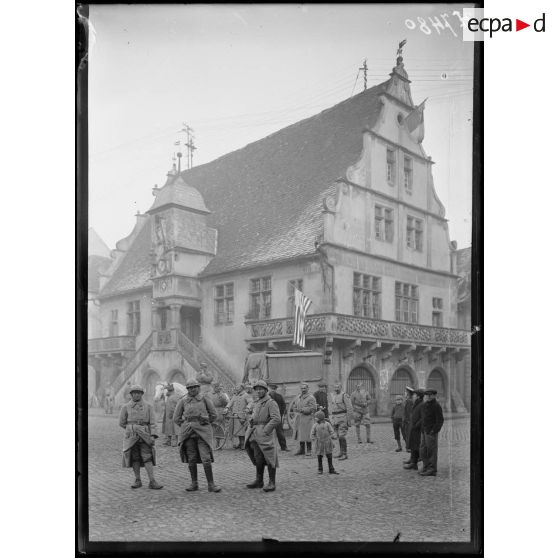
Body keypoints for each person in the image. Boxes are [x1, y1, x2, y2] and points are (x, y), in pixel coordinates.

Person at [173, 379, 221, 493]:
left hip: (203, 433)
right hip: (188, 433)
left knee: (206, 459)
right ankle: (194, 483)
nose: (192, 389)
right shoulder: (183, 401)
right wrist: (185, 425)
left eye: (194, 387)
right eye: (190, 388)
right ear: (187, 389)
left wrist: (205, 421)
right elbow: (176, 418)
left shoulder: (205, 399)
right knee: (192, 458)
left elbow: (214, 414)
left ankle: (211, 484)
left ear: (198, 388)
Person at [118, 385, 163, 490]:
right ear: (131, 394)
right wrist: (132, 428)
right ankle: (137, 480)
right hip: (132, 436)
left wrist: (152, 435)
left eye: (139, 393)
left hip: (145, 435)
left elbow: (153, 423)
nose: (136, 394)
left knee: (147, 457)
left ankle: (152, 481)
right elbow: (122, 423)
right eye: (134, 393)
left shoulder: (148, 406)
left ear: (142, 394)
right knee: (135, 458)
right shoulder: (125, 407)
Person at [245, 380, 281, 492]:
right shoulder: (257, 402)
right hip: (254, 433)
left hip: (265, 435)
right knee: (258, 458)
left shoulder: (271, 402)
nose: (259, 391)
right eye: (257, 389)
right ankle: (259, 481)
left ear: (266, 390)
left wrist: (266, 430)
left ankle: (272, 482)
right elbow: (256, 416)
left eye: (261, 389)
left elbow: (276, 418)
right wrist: (251, 420)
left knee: (270, 457)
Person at [419, 389, 445, 476]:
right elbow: (423, 418)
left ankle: (432, 469)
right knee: (423, 450)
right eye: (427, 395)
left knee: (431, 450)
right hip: (424, 431)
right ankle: (426, 466)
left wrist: (434, 430)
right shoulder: (425, 405)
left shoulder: (436, 406)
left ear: (434, 395)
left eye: (430, 395)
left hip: (431, 432)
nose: (428, 396)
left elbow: (440, 420)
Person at [292, 383, 317, 456]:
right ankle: (301, 449)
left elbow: (313, 408)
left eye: (304, 388)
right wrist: (295, 408)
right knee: (300, 434)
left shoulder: (311, 398)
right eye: (302, 388)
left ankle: (309, 449)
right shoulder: (299, 397)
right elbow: (295, 405)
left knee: (307, 434)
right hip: (300, 418)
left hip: (307, 418)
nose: (303, 390)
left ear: (307, 389)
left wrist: (303, 410)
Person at [310, 411, 339, 475]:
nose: (315, 419)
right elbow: (312, 433)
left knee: (329, 455)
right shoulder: (315, 425)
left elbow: (331, 431)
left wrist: (333, 436)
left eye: (316, 418)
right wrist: (314, 438)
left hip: (328, 442)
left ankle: (331, 469)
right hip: (319, 443)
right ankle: (320, 469)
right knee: (319, 456)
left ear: (320, 418)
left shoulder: (327, 424)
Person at [330, 383, 354, 460]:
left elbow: (349, 409)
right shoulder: (334, 396)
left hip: (343, 418)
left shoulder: (344, 395)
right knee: (338, 436)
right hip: (335, 419)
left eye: (338, 387)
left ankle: (345, 454)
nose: (336, 388)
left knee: (341, 436)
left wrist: (349, 421)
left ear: (341, 387)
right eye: (335, 387)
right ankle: (341, 452)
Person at [403, 388, 425, 470]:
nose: (413, 396)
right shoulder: (417, 403)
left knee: (416, 446)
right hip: (413, 428)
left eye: (415, 395)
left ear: (418, 396)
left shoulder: (421, 404)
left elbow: (422, 418)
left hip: (417, 429)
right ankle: (413, 462)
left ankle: (415, 462)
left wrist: (416, 425)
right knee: (413, 445)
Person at [224, 384, 252, 449]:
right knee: (237, 430)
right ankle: (240, 443)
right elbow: (230, 402)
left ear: (242, 388)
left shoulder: (246, 395)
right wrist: (227, 408)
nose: (236, 388)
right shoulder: (235, 395)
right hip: (235, 416)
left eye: (238, 387)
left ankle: (243, 444)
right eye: (236, 387)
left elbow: (251, 402)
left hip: (242, 415)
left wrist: (247, 408)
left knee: (242, 430)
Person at [268, 383, 288, 451]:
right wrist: (281, 415)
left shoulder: (267, 396)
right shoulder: (279, 396)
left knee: (267, 432)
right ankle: (284, 447)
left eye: (271, 389)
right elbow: (284, 406)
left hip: (269, 417)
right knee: (280, 432)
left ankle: (268, 446)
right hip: (277, 416)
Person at [402, 386, 414, 453]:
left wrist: (407, 421)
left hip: (408, 421)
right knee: (406, 435)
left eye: (406, 392)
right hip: (406, 420)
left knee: (408, 434)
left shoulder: (409, 401)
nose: (404, 393)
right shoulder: (407, 400)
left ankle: (409, 447)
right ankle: (408, 447)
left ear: (408, 393)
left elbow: (409, 412)